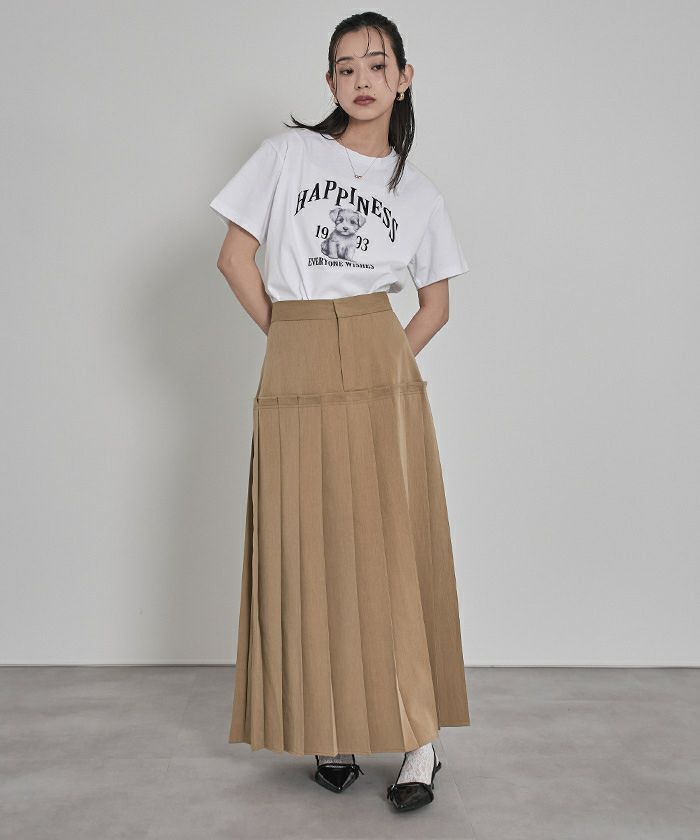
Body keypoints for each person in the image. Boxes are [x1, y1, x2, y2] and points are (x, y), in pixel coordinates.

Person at [209, 11, 470, 813]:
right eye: (346, 67)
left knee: (389, 546)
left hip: (377, 356)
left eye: (377, 64)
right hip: (296, 351)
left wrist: (378, 361)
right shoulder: (289, 154)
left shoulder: (419, 193)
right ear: (329, 82)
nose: (362, 79)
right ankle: (333, 725)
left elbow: (435, 306)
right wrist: (296, 342)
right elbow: (234, 257)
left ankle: (420, 738)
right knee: (309, 542)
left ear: (403, 79)